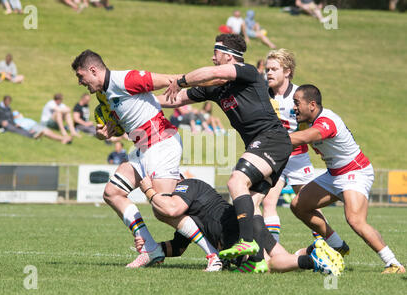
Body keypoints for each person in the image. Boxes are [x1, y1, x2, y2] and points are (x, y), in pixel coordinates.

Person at [71, 49, 219, 269]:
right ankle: (151, 249)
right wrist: (105, 132)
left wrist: (214, 84)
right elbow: (122, 120)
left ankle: (213, 255)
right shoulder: (103, 94)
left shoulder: (126, 79)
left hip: (161, 144)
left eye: (81, 76)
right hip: (142, 148)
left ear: (93, 70)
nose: (81, 82)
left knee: (165, 210)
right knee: (112, 193)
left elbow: (171, 80)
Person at [163, 33, 293, 260]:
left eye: (215, 53)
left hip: (272, 138)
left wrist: (181, 79)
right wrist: (137, 102)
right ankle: (297, 259)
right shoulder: (215, 89)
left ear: (228, 55)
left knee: (235, 181)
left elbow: (212, 73)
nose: (213, 59)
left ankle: (246, 242)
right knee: (249, 206)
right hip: (266, 145)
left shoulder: (248, 71)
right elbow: (176, 99)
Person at [289, 84, 405, 274]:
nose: (294, 107)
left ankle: (393, 264)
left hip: (355, 172)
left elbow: (307, 136)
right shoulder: (304, 121)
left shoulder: (327, 121)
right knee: (298, 205)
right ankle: (337, 245)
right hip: (334, 174)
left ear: (312, 105)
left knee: (355, 220)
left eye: (296, 103)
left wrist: (273, 139)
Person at [135, 175, 343, 276]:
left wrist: (150, 192)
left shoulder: (185, 185)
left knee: (267, 267)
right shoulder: (193, 212)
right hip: (248, 221)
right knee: (281, 257)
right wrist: (152, 249)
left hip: (233, 230)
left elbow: (172, 209)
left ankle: (314, 261)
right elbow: (179, 247)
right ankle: (315, 249)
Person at [260, 49, 349, 255]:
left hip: (298, 156)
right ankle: (274, 252)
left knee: (307, 204)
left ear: (288, 71)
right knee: (269, 201)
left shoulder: (299, 95)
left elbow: (314, 124)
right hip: (274, 157)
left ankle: (334, 244)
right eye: (267, 69)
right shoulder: (263, 95)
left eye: (274, 69)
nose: (269, 73)